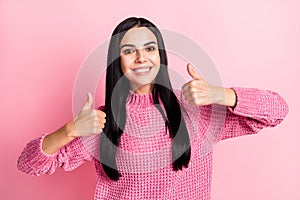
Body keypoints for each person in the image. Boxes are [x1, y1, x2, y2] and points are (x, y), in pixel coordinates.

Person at [17, 17, 289, 200]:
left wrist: (219, 94)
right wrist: (71, 129)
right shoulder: (101, 122)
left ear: (160, 55)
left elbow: (277, 110)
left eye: (149, 48)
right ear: (117, 61)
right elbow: (29, 164)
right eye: (129, 51)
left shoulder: (197, 111)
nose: (141, 58)